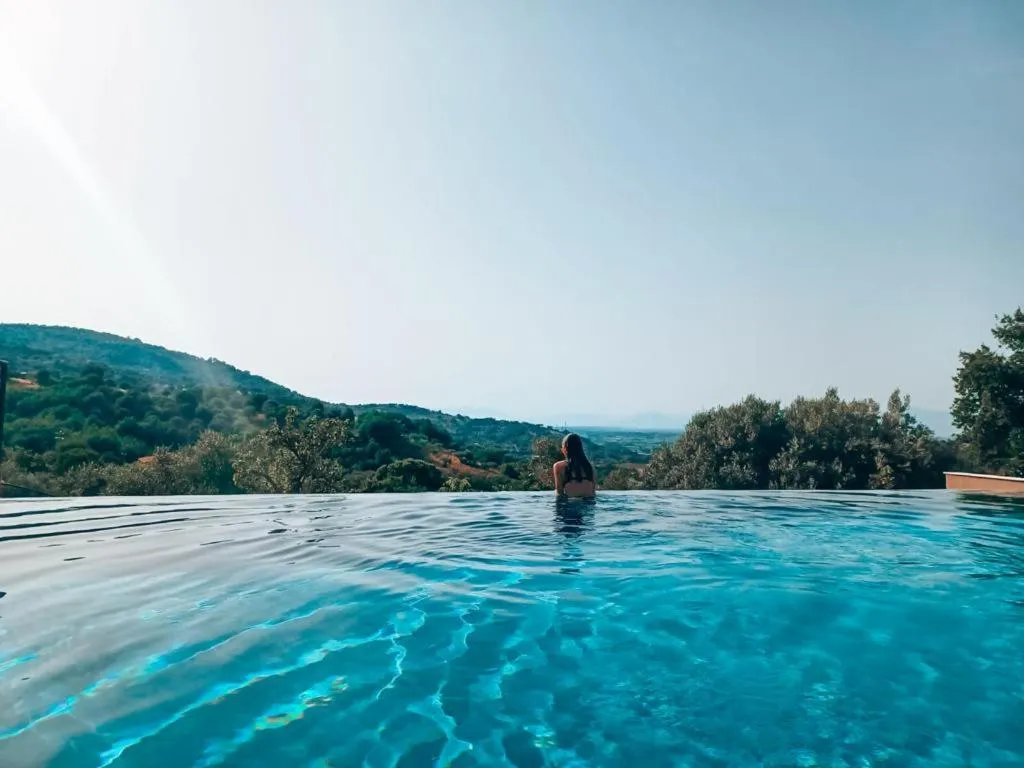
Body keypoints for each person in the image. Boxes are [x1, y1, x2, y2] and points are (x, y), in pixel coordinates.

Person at [553, 433, 596, 498]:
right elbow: (593, 491)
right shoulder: (590, 467)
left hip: (571, 503)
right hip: (590, 502)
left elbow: (559, 492)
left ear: (565, 449)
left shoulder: (558, 466)